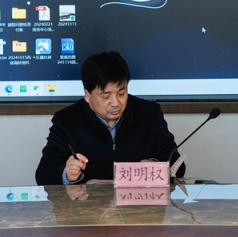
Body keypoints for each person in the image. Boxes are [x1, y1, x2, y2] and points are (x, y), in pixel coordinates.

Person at [35, 52, 178, 185]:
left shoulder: (149, 114)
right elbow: (43, 175)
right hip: (88, 202)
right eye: (106, 96)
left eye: (121, 93)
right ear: (87, 95)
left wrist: (155, 166)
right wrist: (67, 174)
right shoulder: (67, 121)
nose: (115, 103)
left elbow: (177, 165)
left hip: (139, 201)